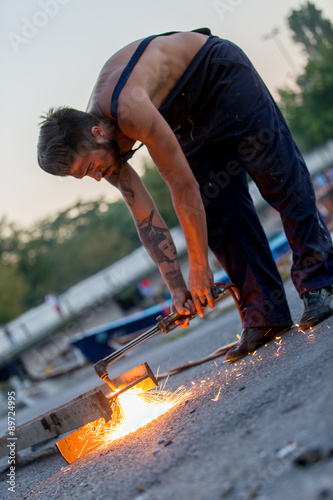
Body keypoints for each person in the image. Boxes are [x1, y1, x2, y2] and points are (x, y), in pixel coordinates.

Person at [37, 28, 333, 362]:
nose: (95, 177)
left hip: (218, 75)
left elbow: (182, 186)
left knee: (278, 175)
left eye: (90, 166)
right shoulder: (101, 148)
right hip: (181, 112)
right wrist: (176, 285)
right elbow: (145, 218)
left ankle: (320, 283)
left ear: (97, 133)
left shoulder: (129, 109)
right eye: (83, 175)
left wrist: (198, 267)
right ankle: (266, 315)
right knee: (218, 208)